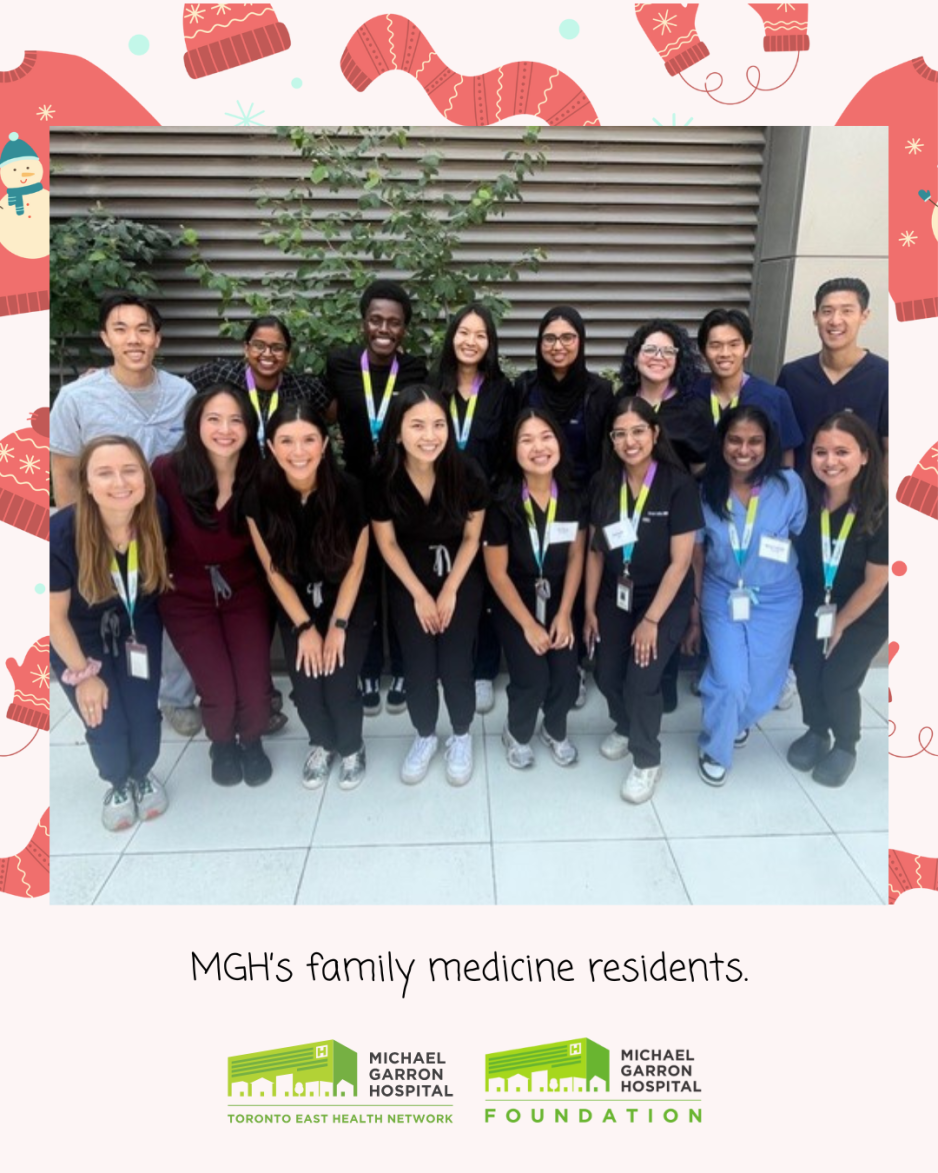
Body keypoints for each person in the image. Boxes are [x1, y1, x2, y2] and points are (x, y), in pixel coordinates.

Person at [49, 291, 201, 737]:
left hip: (164, 528)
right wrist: (80, 534)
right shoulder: (78, 398)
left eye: (143, 329)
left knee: (164, 612)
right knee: (107, 613)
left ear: (157, 338)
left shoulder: (183, 393)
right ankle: (115, 692)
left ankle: (174, 697)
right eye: (121, 329)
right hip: (103, 531)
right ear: (105, 337)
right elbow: (63, 466)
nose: (133, 339)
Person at [152, 385, 276, 786]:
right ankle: (222, 743)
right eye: (214, 419)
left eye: (236, 420)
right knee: (218, 688)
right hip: (186, 597)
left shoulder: (262, 474)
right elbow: (144, 532)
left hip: (245, 592)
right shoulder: (167, 470)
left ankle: (252, 740)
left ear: (249, 427)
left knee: (254, 685)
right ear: (196, 423)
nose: (225, 429)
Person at [247, 403, 375, 791]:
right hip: (296, 603)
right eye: (286, 441)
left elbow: (356, 566)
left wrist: (337, 625)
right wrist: (304, 626)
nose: (298, 451)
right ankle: (321, 742)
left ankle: (351, 745)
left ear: (324, 445)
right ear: (270, 445)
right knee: (306, 686)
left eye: (308, 440)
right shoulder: (259, 495)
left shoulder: (351, 490)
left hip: (347, 600)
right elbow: (272, 570)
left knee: (338, 681)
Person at [49, 436, 172, 830]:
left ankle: (142, 774)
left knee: (142, 714)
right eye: (105, 473)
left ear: (145, 478)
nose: (119, 482)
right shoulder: (61, 534)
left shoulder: (155, 513)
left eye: (129, 470)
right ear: (86, 482)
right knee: (104, 720)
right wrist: (84, 676)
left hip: (137, 624)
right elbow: (53, 619)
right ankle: (118, 781)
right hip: (78, 637)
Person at [584, 396, 702, 804]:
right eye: (620, 434)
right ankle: (624, 724)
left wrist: (651, 620)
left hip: (662, 598)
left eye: (638, 431)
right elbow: (597, 551)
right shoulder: (603, 482)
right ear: (611, 439)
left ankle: (646, 758)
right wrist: (587, 609)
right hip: (617, 590)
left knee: (642, 679)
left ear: (654, 433)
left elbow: (681, 561)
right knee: (605, 670)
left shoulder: (678, 484)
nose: (629, 441)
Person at [369, 385, 487, 786]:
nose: (430, 435)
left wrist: (450, 589)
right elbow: (385, 542)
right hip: (408, 581)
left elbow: (473, 538)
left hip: (460, 578)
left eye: (438, 424)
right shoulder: (383, 477)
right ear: (399, 432)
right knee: (418, 666)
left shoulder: (467, 471)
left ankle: (460, 734)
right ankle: (424, 735)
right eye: (417, 425)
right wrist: (420, 593)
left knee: (455, 664)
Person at [325, 279, 428, 717]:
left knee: (401, 582)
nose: (384, 328)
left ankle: (403, 664)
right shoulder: (341, 364)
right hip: (354, 491)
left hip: (401, 489)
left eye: (394, 322)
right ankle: (368, 666)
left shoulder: (417, 370)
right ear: (363, 322)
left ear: (405, 329)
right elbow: (314, 408)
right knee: (362, 581)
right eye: (376, 319)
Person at [688, 406, 807, 785]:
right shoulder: (705, 489)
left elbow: (798, 534)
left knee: (763, 684)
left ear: (768, 444)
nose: (744, 449)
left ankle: (734, 720)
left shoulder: (789, 486)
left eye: (754, 441)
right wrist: (694, 607)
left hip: (778, 597)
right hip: (722, 594)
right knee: (731, 679)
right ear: (722, 442)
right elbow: (697, 553)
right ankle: (715, 745)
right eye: (735, 440)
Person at [788, 412, 888, 787]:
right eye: (820, 452)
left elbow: (876, 582)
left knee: (838, 679)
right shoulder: (807, 502)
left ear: (864, 455)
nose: (830, 462)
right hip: (818, 602)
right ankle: (817, 730)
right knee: (808, 670)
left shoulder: (880, 511)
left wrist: (841, 625)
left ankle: (846, 743)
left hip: (867, 610)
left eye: (842, 452)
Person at [484, 408, 586, 768]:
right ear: (514, 450)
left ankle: (554, 730)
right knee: (532, 677)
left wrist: (564, 614)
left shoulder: (573, 496)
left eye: (546, 437)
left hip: (560, 598)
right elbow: (497, 574)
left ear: (558, 442)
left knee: (565, 676)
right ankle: (517, 732)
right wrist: (528, 624)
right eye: (526, 440)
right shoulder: (501, 503)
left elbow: (577, 557)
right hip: (516, 602)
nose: (538, 447)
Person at [430, 302, 514, 715]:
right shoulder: (432, 387)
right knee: (446, 586)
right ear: (452, 337)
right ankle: (447, 666)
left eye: (481, 335)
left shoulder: (502, 390)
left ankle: (483, 671)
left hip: (490, 505)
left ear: (490, 343)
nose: (471, 341)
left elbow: (511, 452)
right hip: (439, 505)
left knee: (487, 589)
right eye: (464, 332)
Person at [776, 278, 888, 472]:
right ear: (815, 316)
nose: (835, 320)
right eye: (827, 311)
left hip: (862, 500)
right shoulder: (792, 376)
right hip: (803, 498)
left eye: (847, 311)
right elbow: (780, 447)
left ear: (864, 316)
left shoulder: (886, 376)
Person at [187, 315, 329, 450]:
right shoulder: (219, 374)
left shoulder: (303, 389)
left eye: (277, 348)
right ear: (246, 349)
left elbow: (332, 413)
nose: (267, 353)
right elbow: (180, 393)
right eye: (258, 345)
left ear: (288, 355)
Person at [513, 305, 614, 491]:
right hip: (533, 494)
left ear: (580, 341)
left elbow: (606, 456)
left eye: (567, 338)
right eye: (550, 338)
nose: (558, 346)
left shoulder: (600, 391)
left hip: (585, 496)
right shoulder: (525, 387)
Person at [691, 308, 802, 465]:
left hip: (758, 488)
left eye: (733, 344)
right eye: (715, 345)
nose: (725, 353)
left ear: (747, 349)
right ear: (703, 351)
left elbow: (786, 457)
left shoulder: (774, 398)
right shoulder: (690, 395)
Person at [619, 318, 713, 476]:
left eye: (668, 351)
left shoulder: (694, 409)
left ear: (678, 361)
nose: (658, 357)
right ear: (635, 358)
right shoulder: (622, 398)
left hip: (676, 498)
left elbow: (701, 471)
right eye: (650, 349)